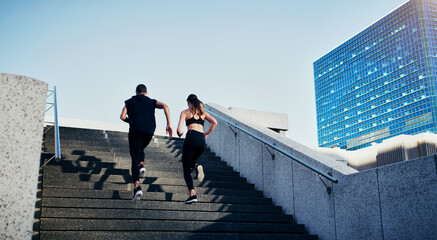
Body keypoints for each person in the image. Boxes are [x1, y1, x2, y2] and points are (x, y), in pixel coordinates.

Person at [120, 84, 172, 200]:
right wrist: (168, 124)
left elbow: (122, 116)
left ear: (136, 92)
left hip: (135, 130)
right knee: (140, 149)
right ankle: (142, 164)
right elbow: (165, 106)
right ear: (146, 92)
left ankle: (137, 187)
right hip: (149, 131)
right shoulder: (152, 101)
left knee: (134, 156)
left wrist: (131, 121)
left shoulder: (129, 102)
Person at [176, 94, 217, 204]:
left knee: (185, 167)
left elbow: (179, 129)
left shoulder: (185, 112)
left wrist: (179, 133)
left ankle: (192, 194)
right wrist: (206, 134)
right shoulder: (203, 113)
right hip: (201, 140)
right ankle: (197, 166)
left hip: (191, 137)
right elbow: (215, 122)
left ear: (189, 102)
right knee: (191, 161)